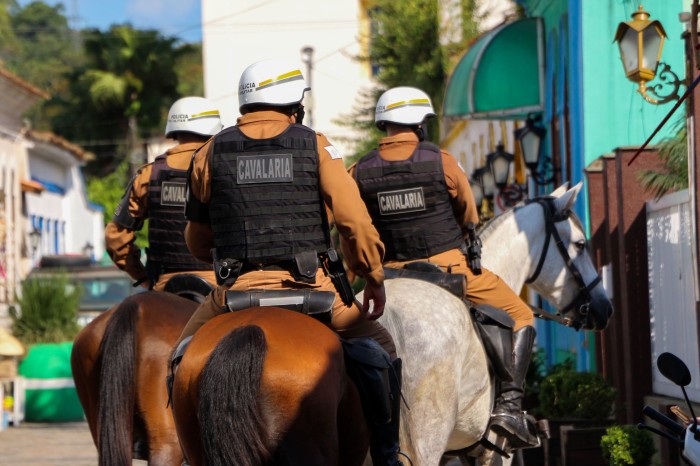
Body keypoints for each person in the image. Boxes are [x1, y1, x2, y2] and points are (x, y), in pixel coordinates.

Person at [174, 59, 404, 466]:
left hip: (234, 295)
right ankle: (387, 455)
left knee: (180, 360)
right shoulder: (315, 144)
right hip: (313, 292)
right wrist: (373, 275)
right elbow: (352, 221)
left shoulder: (211, 151)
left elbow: (196, 241)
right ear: (294, 103)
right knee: (382, 351)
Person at [349, 86, 538, 449]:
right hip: (447, 267)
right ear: (420, 123)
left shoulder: (360, 170)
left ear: (384, 124)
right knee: (520, 313)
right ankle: (510, 406)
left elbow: (351, 221)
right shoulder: (441, 160)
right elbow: (468, 211)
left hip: (388, 274)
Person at [105, 96, 222, 292]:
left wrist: (140, 275)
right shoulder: (222, 170)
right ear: (214, 129)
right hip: (218, 282)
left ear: (174, 130)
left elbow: (115, 236)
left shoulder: (149, 174)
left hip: (164, 284)